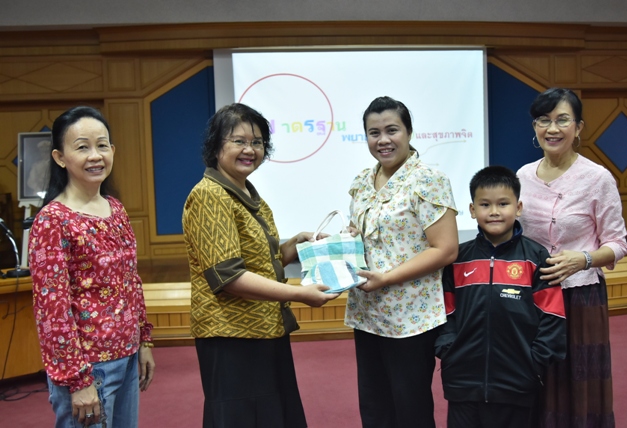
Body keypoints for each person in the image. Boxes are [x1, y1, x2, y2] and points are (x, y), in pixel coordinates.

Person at [182, 103, 339, 428]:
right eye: (238, 141)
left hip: (264, 330)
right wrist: (299, 293)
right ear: (215, 146)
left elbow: (262, 261)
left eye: (257, 142)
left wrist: (298, 242)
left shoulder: (247, 193)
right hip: (232, 337)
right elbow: (228, 276)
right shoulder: (210, 195)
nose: (250, 150)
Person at [28, 106, 155, 427]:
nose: (95, 155)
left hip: (127, 357)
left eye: (102, 145)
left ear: (113, 151)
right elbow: (52, 311)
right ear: (60, 158)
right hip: (88, 369)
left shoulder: (116, 209)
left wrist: (144, 341)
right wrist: (77, 379)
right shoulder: (52, 220)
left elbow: (131, 282)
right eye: (82, 147)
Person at [517, 88, 627, 427]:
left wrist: (583, 259)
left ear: (578, 127)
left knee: (580, 379)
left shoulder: (598, 178)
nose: (552, 128)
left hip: (580, 296)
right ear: (535, 127)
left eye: (562, 120)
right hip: (534, 295)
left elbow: (618, 243)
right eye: (544, 120)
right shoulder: (522, 176)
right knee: (538, 377)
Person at [346, 96, 459, 428]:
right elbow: (363, 235)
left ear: (409, 132)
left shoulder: (428, 180)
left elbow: (445, 249)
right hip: (368, 312)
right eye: (374, 133)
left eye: (392, 130)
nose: (383, 140)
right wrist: (343, 241)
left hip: (411, 316)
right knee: (374, 407)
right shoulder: (361, 182)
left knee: (410, 409)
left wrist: (387, 277)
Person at [435, 165, 567, 428]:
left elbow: (552, 315)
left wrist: (534, 362)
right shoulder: (458, 258)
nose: (494, 211)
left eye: (503, 204)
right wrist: (449, 350)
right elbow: (445, 312)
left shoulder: (536, 258)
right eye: (485, 204)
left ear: (518, 208)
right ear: (472, 210)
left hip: (517, 382)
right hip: (463, 381)